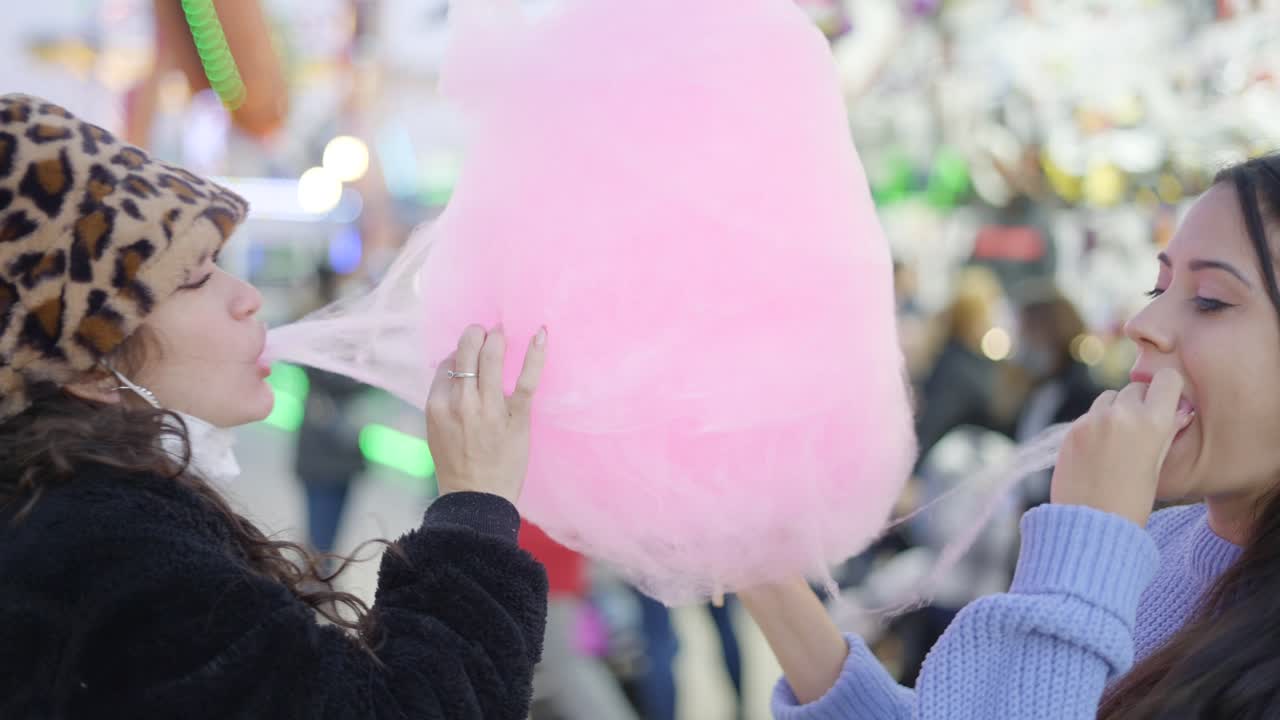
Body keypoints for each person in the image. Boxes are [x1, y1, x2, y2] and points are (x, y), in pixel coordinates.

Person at [0, 94, 550, 719]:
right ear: (90, 369)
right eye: (195, 278)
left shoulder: (66, 521)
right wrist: (475, 508)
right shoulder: (120, 565)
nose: (248, 298)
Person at [741, 153, 1280, 718]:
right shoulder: (1162, 543)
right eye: (1158, 289)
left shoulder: (1116, 554)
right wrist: (765, 576)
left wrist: (1085, 549)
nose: (1141, 325)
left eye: (1211, 300)